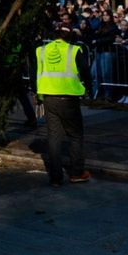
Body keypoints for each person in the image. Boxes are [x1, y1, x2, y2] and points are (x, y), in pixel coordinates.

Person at [35, 21, 92, 186]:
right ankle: (76, 173)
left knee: (53, 137)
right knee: (75, 135)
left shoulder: (42, 50)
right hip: (69, 98)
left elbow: (35, 73)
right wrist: (88, 88)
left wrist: (38, 94)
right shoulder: (73, 50)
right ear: (70, 36)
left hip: (49, 97)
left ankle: (55, 178)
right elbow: (86, 71)